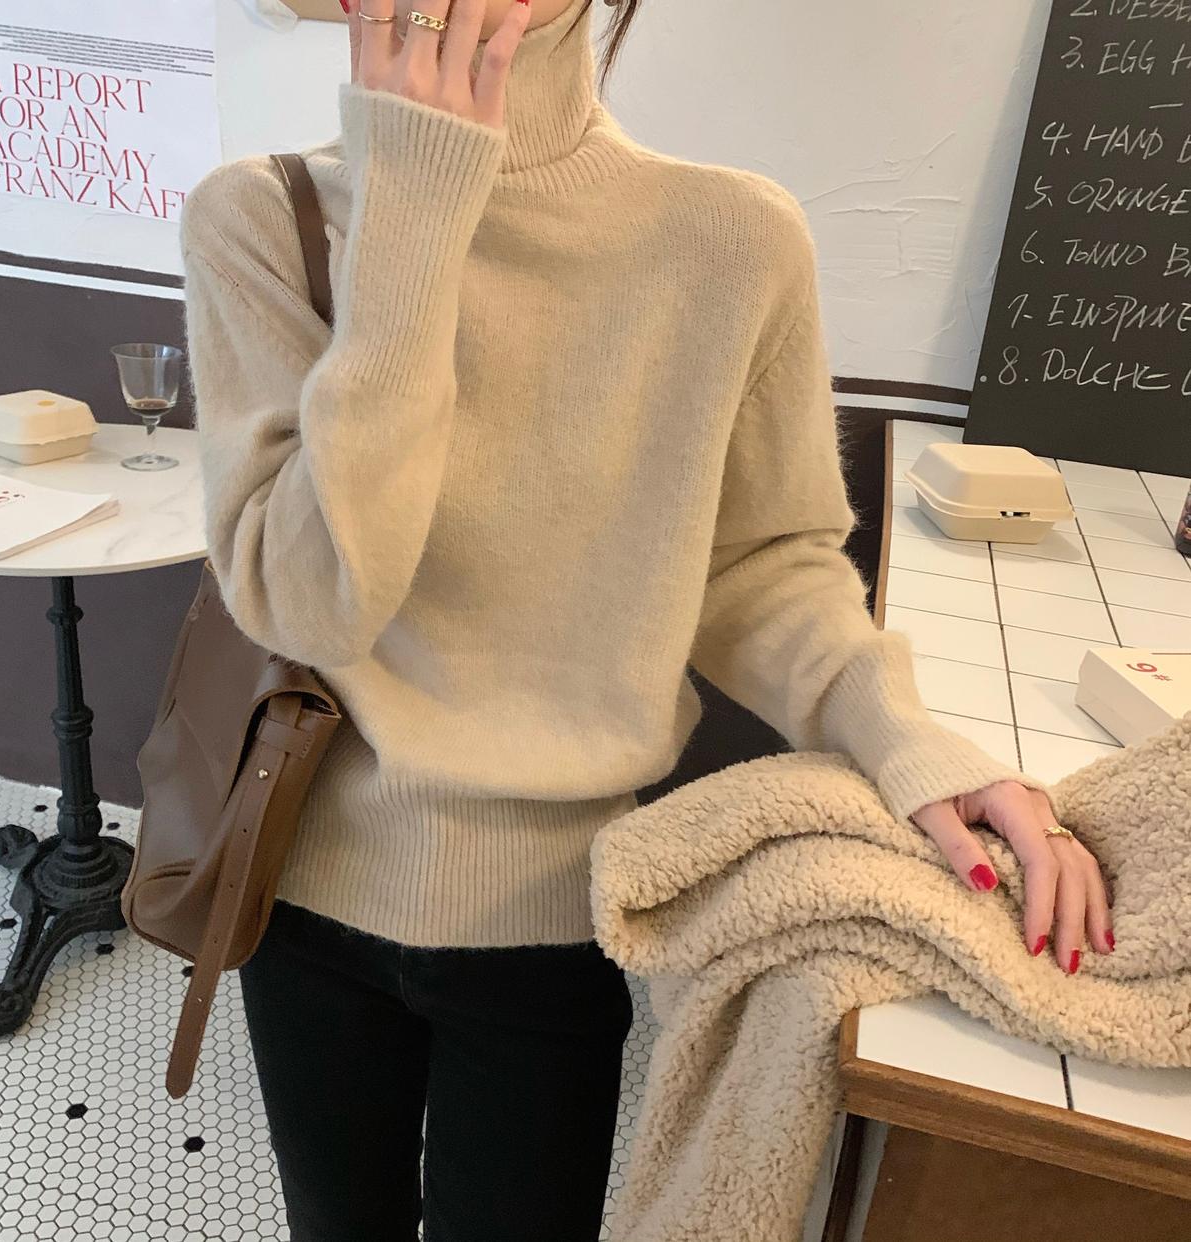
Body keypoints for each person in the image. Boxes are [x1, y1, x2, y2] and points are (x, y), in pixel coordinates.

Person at [177, 1, 1114, 1237]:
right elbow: (312, 603)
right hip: (300, 877)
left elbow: (762, 569)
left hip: (555, 915)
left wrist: (907, 740)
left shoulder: (727, 240)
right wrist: (410, 217)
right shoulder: (260, 218)